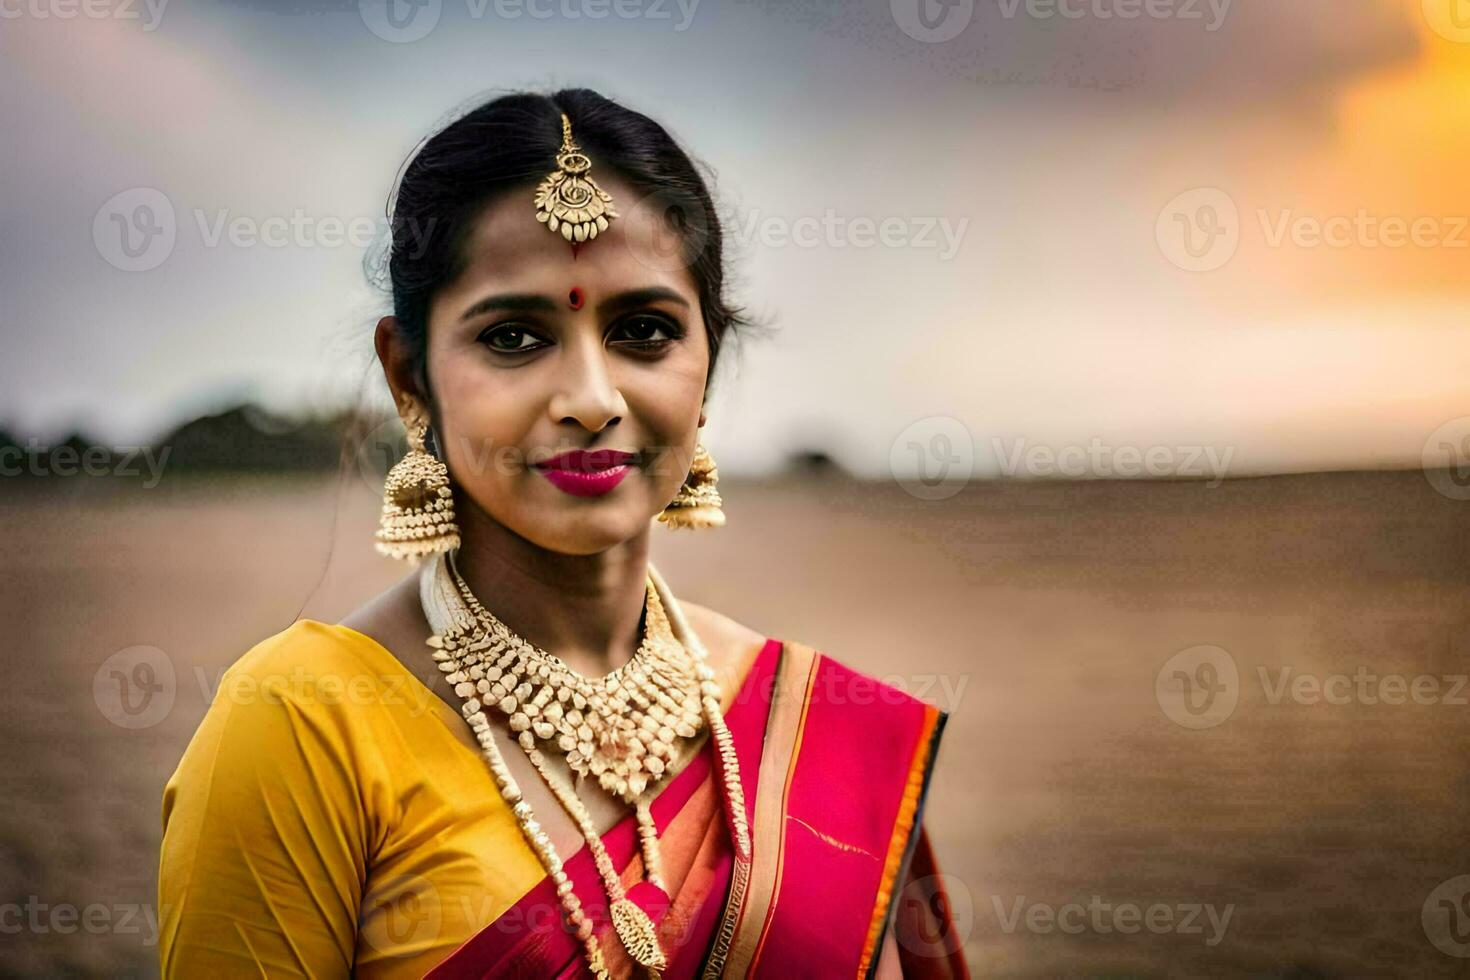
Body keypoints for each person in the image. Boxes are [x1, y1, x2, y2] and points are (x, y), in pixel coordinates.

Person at [157, 87, 968, 978]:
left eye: (645, 331)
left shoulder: (813, 735)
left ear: (709, 366)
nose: (591, 399)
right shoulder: (303, 724)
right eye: (513, 336)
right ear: (410, 378)